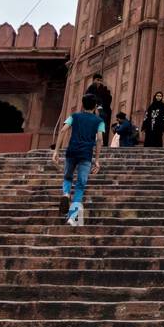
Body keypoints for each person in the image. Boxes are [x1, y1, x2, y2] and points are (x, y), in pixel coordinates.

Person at [51, 93, 103, 225]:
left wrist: (56, 151)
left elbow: (63, 131)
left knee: (68, 177)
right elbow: (100, 140)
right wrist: (97, 160)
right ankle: (72, 217)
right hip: (86, 154)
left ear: (82, 104)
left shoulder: (74, 116)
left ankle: (66, 194)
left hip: (71, 151)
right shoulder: (99, 121)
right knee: (80, 185)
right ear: (95, 106)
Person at [85, 72, 113, 146]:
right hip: (92, 111)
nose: (99, 82)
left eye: (100, 80)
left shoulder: (104, 89)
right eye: (97, 80)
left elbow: (108, 99)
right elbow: (87, 100)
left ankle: (102, 143)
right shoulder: (89, 90)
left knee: (102, 127)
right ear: (94, 80)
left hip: (102, 111)